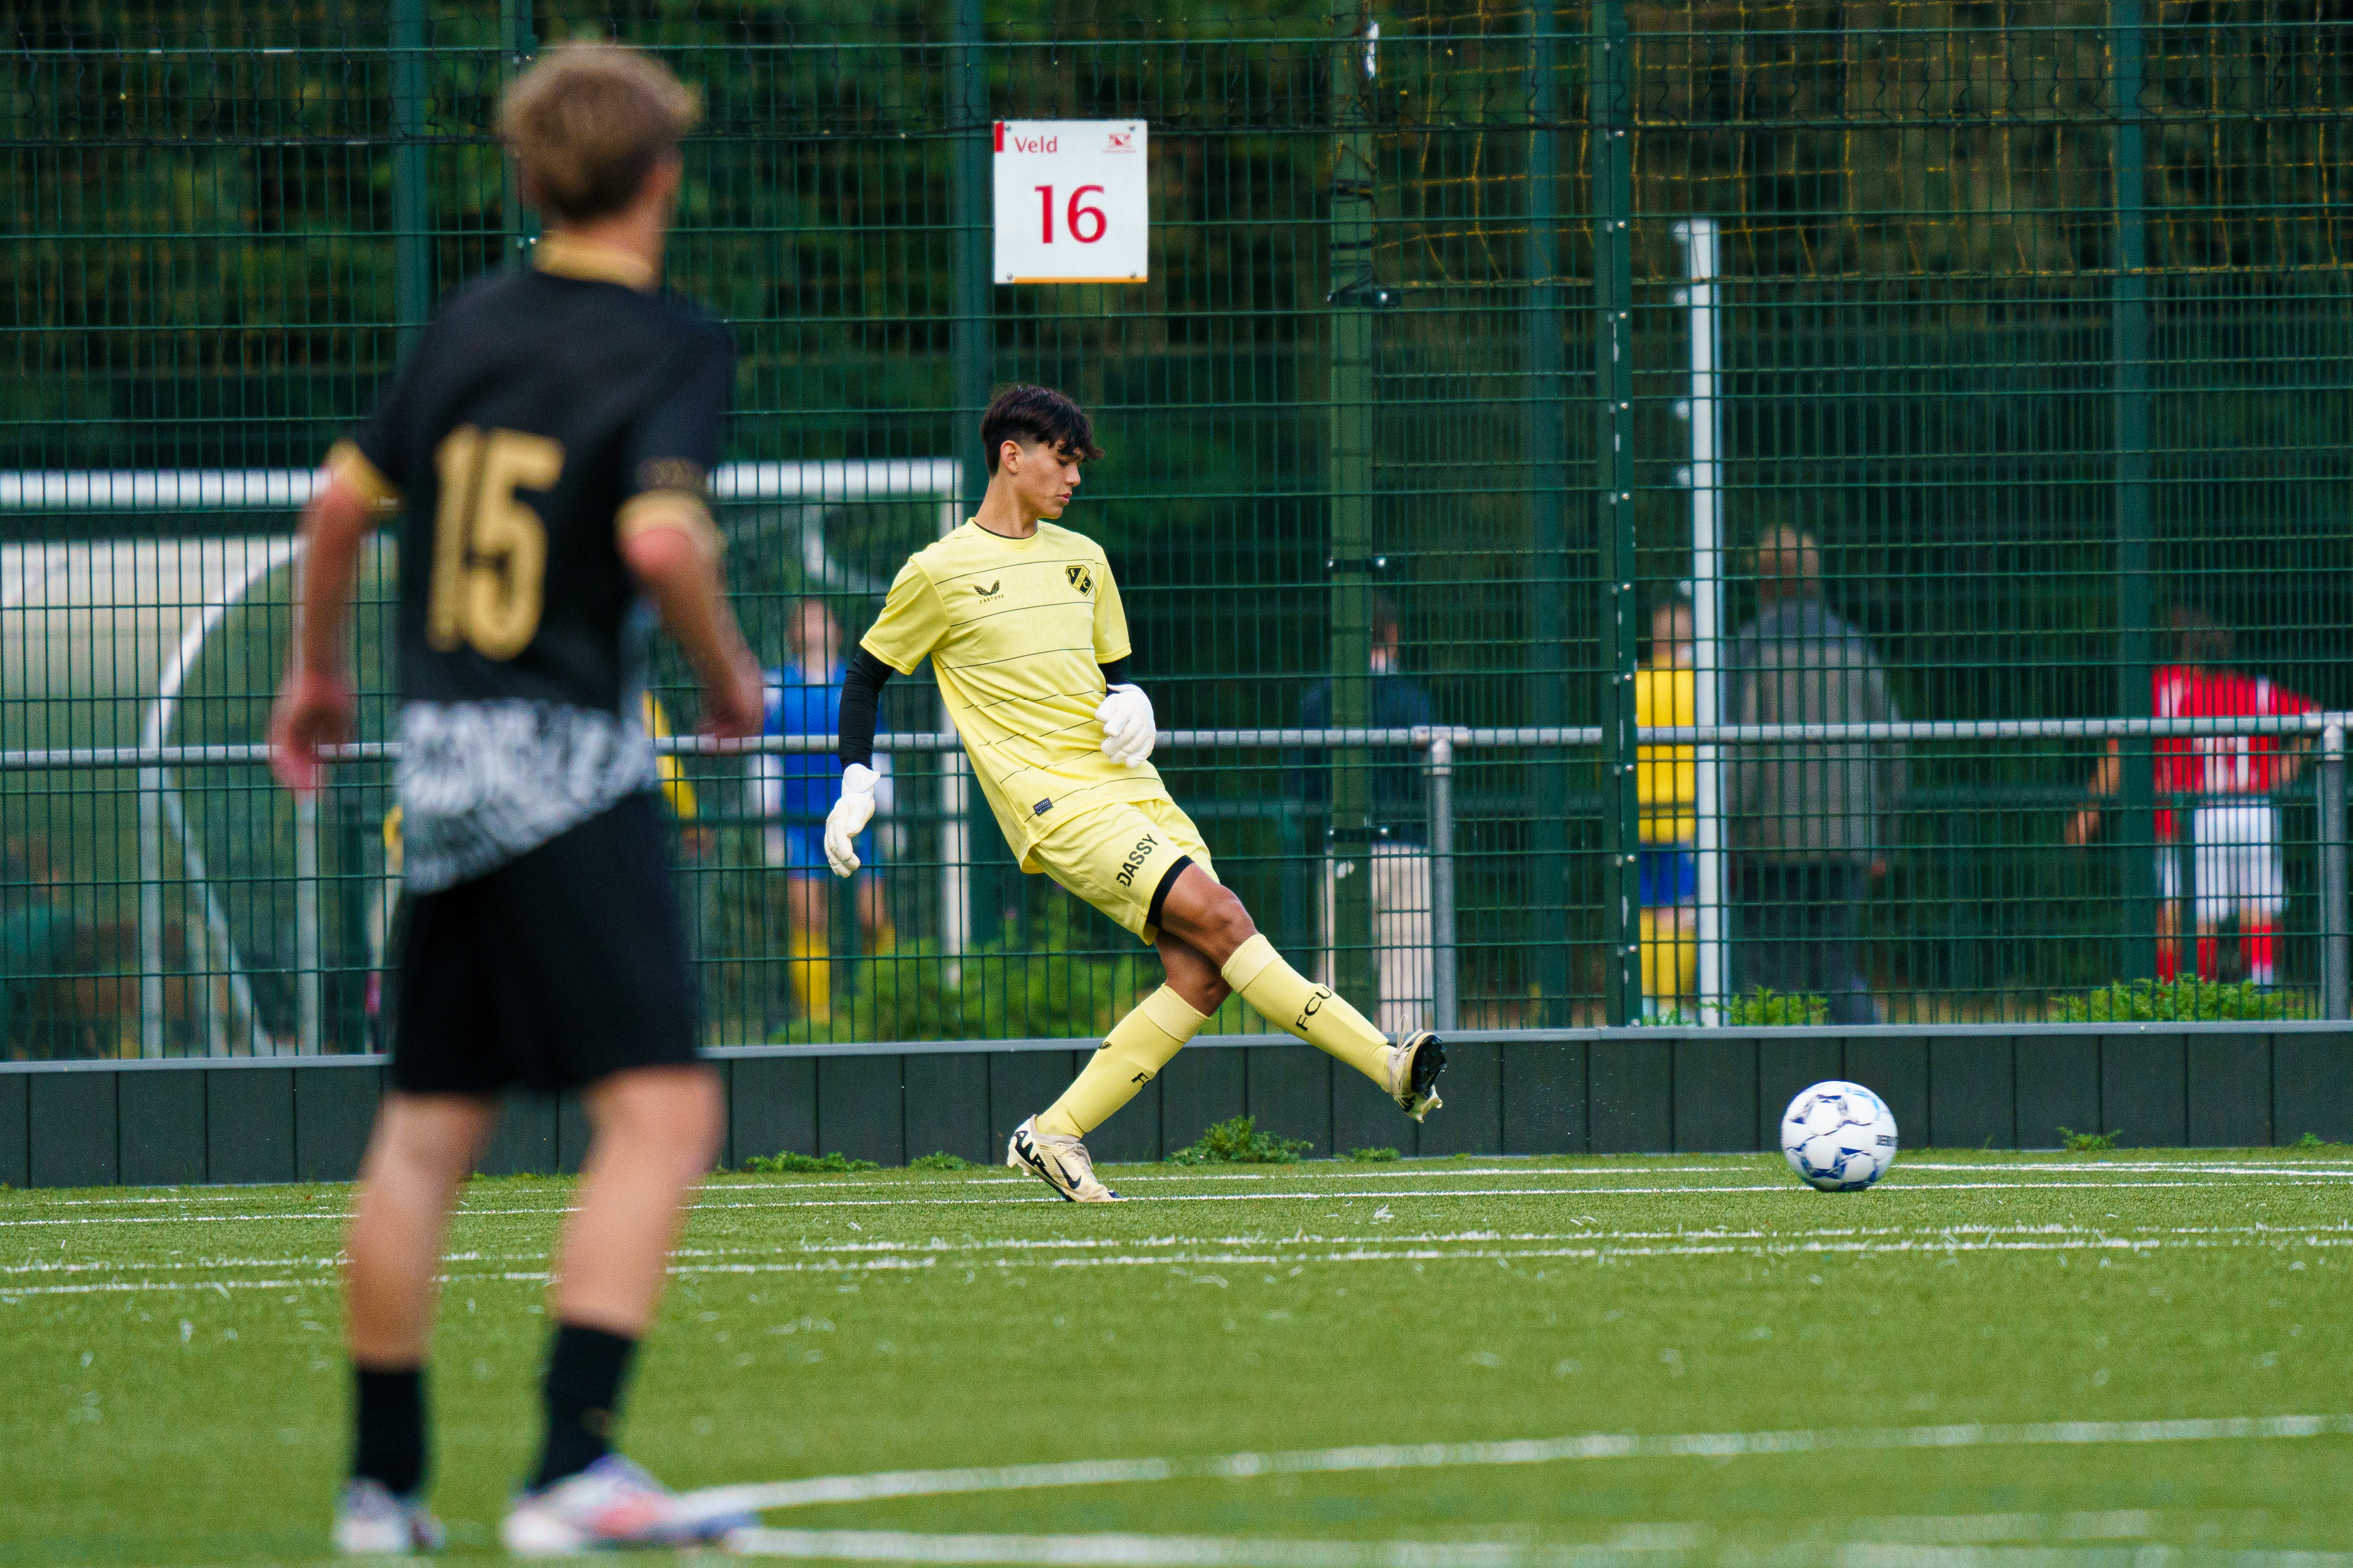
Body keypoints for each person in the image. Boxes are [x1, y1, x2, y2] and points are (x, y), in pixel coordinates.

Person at [267, 44, 764, 1555]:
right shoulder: (669, 340)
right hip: (564, 764)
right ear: (661, 176)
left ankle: (381, 1489)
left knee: (425, 1134)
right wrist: (731, 684)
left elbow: (342, 500)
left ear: (530, 175)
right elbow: (668, 546)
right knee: (664, 1112)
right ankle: (568, 1466)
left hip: (443, 767)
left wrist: (319, 676)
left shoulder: (470, 322)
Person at [824, 384, 1445, 1202]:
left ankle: (1051, 1132)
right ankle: (1387, 1060)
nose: (1074, 476)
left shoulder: (1084, 557)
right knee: (1226, 919)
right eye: (1063, 457)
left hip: (1133, 791)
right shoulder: (939, 572)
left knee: (1202, 975)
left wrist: (1135, 699)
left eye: (1078, 461)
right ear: (1012, 456)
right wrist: (856, 779)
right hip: (1056, 805)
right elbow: (867, 675)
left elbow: (1115, 678)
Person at [2066, 607, 2315, 985]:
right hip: (2253, 807)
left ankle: (2191, 999)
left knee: (2191, 916)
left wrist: (2089, 810)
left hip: (2192, 813)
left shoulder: (2165, 688)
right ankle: (2263, 991)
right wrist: (2282, 769)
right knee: (2259, 907)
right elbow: (2312, 717)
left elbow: (2120, 746)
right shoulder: (2255, 690)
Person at [1724, 527, 1905, 1024]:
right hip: (1848, 835)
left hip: (1771, 840)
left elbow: (1739, 751)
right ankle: (1862, 1071)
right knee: (1835, 966)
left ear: (1760, 582)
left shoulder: (1747, 649)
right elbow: (1891, 744)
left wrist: (1730, 829)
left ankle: (1771, 1076)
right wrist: (1883, 837)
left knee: (1771, 977)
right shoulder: (1852, 645)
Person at [1291, 593, 1438, 1034]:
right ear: (1393, 634)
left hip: (1345, 847)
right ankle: (1404, 1063)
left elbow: (1302, 781)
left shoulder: (1320, 700)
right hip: (1407, 848)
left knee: (1335, 974)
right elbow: (1428, 780)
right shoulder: (1413, 700)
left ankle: (1334, 1061)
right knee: (1406, 980)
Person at [750, 598, 894, 1022]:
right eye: (804, 620)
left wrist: (888, 813)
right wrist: (769, 827)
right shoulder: (776, 688)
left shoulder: (856, 684)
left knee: (873, 916)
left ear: (835, 629)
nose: (813, 628)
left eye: (821, 619)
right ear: (793, 632)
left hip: (856, 818)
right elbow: (765, 756)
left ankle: (884, 1009)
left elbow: (879, 748)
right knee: (809, 918)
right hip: (798, 822)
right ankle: (817, 1021)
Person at [1635, 593, 1699, 1015]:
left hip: (1638, 816)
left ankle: (1646, 1001)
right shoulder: (1698, 685)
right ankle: (1673, 1003)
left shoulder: (1635, 685)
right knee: (1680, 914)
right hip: (1685, 817)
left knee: (1643, 911)